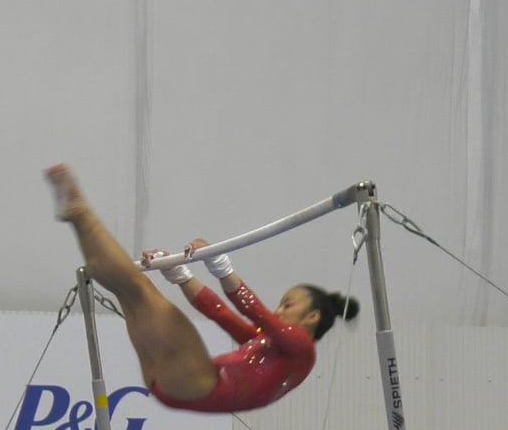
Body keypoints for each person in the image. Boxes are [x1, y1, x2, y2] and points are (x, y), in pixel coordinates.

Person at [45, 163, 359, 413]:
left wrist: (222, 267)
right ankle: (78, 218)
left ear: (313, 317)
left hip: (202, 384)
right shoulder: (269, 347)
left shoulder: (302, 348)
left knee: (138, 288)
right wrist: (180, 274)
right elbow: (220, 313)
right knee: (128, 290)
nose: (279, 310)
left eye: (288, 304)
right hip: (183, 385)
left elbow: (256, 312)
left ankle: (80, 214)